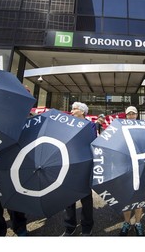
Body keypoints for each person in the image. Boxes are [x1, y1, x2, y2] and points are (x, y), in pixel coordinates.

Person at [62, 101, 96, 236]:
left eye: (74, 109)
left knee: (86, 198)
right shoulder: (67, 125)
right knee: (68, 198)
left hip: (84, 165)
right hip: (68, 164)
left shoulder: (91, 125)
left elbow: (91, 142)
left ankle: (87, 227)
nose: (72, 110)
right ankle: (69, 227)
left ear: (82, 112)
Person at [119, 106, 145, 236]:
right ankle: (127, 222)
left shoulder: (143, 127)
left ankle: (138, 223)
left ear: (137, 115)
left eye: (133, 113)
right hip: (125, 167)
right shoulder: (120, 128)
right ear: (126, 115)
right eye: (128, 114)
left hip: (140, 166)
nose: (131, 116)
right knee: (127, 198)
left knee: (139, 197)